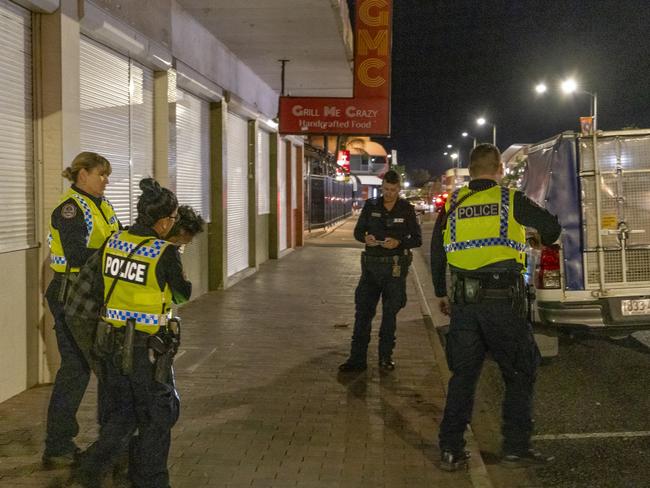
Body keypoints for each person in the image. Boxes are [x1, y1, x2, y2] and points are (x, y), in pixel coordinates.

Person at [430, 144, 562, 471]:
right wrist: (535, 238)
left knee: (463, 377)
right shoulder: (509, 199)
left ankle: (450, 449)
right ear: (499, 169)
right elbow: (552, 229)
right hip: (503, 304)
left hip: (463, 304)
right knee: (519, 371)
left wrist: (440, 293)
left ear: (471, 171)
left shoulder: (454, 202)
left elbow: (437, 251)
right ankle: (515, 448)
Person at [74, 178, 191, 488]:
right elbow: (182, 295)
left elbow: (99, 288)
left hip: (111, 344)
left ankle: (89, 471)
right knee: (156, 417)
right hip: (147, 351)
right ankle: (151, 481)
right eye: (173, 218)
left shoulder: (113, 242)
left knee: (122, 414)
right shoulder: (163, 251)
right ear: (164, 220)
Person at [43, 152, 120, 468]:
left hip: (90, 296)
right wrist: (115, 253)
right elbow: (77, 254)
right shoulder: (71, 209)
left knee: (78, 370)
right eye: (101, 174)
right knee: (90, 369)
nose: (106, 180)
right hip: (71, 296)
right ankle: (69, 444)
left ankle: (63, 443)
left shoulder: (103, 205)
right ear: (82, 174)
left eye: (107, 175)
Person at [339, 170, 422, 373]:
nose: (389, 193)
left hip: (394, 269)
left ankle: (385, 357)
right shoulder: (371, 206)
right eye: (385, 189)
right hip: (371, 267)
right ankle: (357, 359)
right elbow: (358, 232)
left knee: (389, 315)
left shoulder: (406, 209)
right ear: (382, 186)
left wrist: (399, 242)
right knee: (363, 313)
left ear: (399, 189)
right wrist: (364, 238)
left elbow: (417, 239)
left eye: (393, 190)